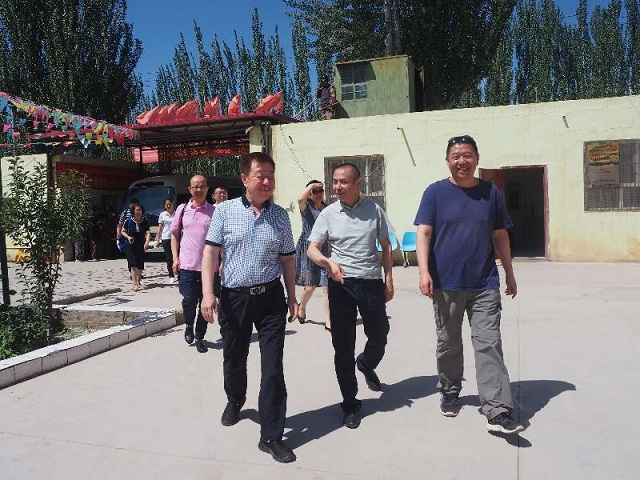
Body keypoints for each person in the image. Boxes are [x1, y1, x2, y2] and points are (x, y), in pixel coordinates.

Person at [413, 135, 525, 435]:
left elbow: (500, 235)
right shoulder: (435, 193)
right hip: (445, 282)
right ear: (447, 160)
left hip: (484, 282)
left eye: (467, 155)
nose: (462, 161)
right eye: (456, 156)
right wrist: (423, 271)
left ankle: (498, 409)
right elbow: (424, 232)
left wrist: (509, 272)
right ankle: (450, 390)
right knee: (448, 343)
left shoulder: (491, 193)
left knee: (488, 343)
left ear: (476, 158)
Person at [200, 152, 298, 464]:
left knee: (273, 367)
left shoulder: (280, 216)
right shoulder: (225, 211)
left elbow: (287, 259)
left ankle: (271, 435)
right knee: (234, 358)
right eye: (260, 175)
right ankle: (235, 399)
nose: (267, 181)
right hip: (234, 298)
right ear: (244, 179)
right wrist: (207, 295)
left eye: (271, 175)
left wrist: (292, 297)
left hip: (270, 299)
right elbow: (210, 254)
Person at [306, 163, 394, 429]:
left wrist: (389, 278)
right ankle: (350, 404)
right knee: (343, 347)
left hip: (370, 281)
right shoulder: (328, 213)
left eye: (343, 182)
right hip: (341, 284)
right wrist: (328, 263)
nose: (337, 187)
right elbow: (312, 249)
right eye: (334, 182)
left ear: (358, 184)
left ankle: (366, 363)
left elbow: (386, 245)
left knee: (379, 334)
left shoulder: (374, 210)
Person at [171, 175, 215, 354]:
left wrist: (222, 262)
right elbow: (174, 236)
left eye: (202, 186)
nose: (199, 190)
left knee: (205, 302)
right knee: (189, 300)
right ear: (189, 189)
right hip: (187, 265)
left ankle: (199, 337)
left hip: (208, 268)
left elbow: (221, 241)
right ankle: (189, 324)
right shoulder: (182, 210)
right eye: (195, 187)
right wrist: (175, 258)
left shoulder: (214, 211)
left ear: (207, 189)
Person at [295, 180, 330, 330]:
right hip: (309, 249)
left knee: (327, 286)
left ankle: (329, 320)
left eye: (321, 190)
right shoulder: (306, 207)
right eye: (314, 191)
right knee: (311, 286)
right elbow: (300, 199)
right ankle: (302, 306)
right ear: (309, 194)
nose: (318, 194)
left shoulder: (327, 209)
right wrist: (311, 186)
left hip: (326, 249)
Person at [120, 203, 150, 291]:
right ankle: (135, 283)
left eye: (140, 210)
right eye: (137, 210)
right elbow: (122, 231)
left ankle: (138, 281)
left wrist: (147, 243)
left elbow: (147, 233)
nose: (138, 212)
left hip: (141, 244)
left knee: (140, 264)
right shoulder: (128, 221)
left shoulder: (145, 221)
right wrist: (128, 237)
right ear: (133, 211)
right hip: (130, 244)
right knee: (133, 263)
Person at [157, 198, 176, 284]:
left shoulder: (177, 213)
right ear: (164, 206)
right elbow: (160, 227)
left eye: (170, 204)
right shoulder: (162, 214)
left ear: (173, 204)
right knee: (169, 258)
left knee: (177, 257)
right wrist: (158, 239)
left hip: (176, 238)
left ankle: (178, 273)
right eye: (166, 205)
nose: (168, 206)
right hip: (166, 238)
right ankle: (171, 275)